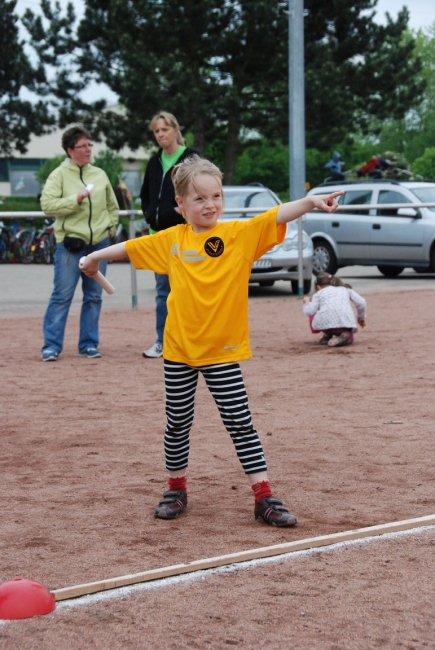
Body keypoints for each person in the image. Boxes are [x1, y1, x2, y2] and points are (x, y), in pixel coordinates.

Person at [80, 155, 343, 527]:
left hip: (222, 353)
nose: (210, 205)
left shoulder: (238, 236)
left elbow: (276, 216)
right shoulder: (172, 241)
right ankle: (176, 489)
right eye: (199, 198)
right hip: (179, 351)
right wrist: (93, 257)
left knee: (240, 422)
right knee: (177, 422)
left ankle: (264, 496)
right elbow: (131, 248)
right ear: (180, 205)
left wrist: (310, 202)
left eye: (215, 196)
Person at [40, 124, 119, 361]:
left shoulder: (100, 174)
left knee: (94, 296)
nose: (88, 149)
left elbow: (112, 206)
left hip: (99, 245)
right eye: (82, 146)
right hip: (70, 245)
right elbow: (47, 205)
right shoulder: (59, 175)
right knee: (62, 296)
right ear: (69, 150)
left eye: (89, 145)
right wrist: (74, 199)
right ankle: (51, 346)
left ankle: (88, 344)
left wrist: (110, 227)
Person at [140, 111, 198, 358]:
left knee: (189, 291)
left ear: (176, 130)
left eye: (165, 129)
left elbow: (201, 188)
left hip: (184, 235)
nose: (161, 134)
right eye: (156, 131)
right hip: (158, 236)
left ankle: (192, 340)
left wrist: (180, 211)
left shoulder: (190, 158)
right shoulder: (154, 161)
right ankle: (162, 341)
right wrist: (150, 214)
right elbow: (146, 194)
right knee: (163, 292)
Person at [302, 272, 367, 347]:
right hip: (345, 324)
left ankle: (328, 334)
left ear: (318, 287)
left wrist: (307, 302)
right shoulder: (346, 289)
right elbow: (362, 302)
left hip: (324, 326)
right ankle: (345, 334)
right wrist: (360, 318)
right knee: (338, 316)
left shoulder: (318, 293)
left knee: (319, 309)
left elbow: (310, 311)